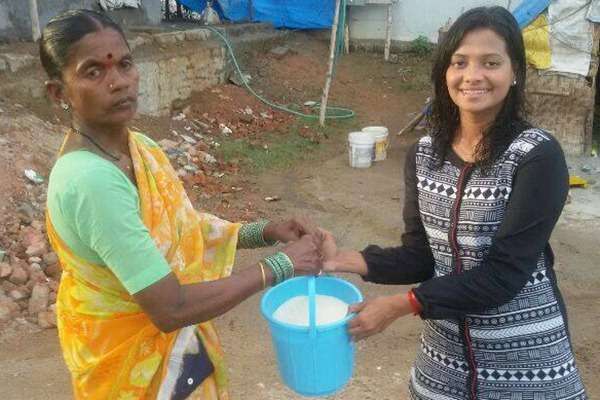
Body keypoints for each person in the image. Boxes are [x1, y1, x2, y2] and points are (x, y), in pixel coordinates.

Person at [41, 9, 323, 399]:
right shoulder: (89, 181)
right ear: (59, 92)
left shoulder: (139, 148)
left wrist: (265, 231)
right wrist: (280, 265)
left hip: (172, 357)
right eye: (93, 72)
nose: (119, 82)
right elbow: (170, 307)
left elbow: (182, 226)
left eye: (125, 64)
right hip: (130, 368)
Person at [321, 6, 588, 400]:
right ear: (444, 72)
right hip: (443, 363)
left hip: (526, 364)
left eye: (491, 62)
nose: (472, 76)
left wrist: (402, 304)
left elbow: (503, 275)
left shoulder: (536, 155)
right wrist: (341, 260)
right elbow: (422, 256)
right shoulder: (425, 153)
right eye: (459, 62)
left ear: (515, 72)